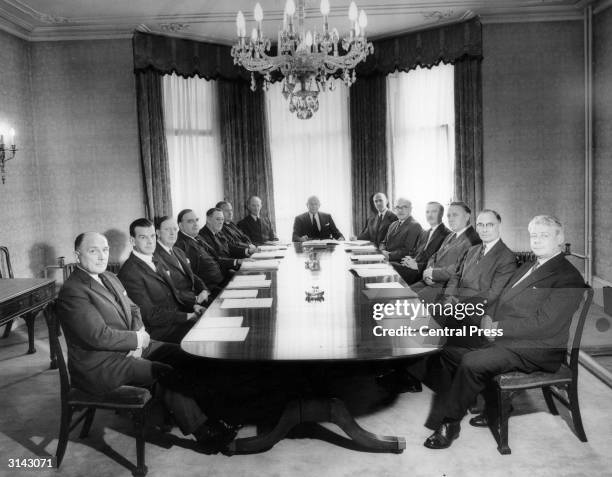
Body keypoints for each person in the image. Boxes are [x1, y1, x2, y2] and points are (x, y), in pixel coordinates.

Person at [408, 215, 586, 449]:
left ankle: (450, 423)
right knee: (448, 347)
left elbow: (546, 324)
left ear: (560, 238)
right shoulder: (528, 266)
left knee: (472, 361)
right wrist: (489, 317)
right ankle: (493, 404)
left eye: (545, 235)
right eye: (534, 236)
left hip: (537, 348)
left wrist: (498, 329)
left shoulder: (568, 276)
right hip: (508, 337)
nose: (537, 241)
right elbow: (500, 297)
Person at [56, 232, 238, 451]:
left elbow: (133, 308)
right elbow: (97, 335)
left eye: (105, 250)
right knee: (165, 372)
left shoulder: (110, 277)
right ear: (78, 256)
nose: (101, 256)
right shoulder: (73, 291)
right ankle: (205, 434)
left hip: (129, 348)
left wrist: (139, 331)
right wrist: (135, 340)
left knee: (186, 355)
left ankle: (212, 415)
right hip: (101, 364)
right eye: (93, 251)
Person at [118, 218, 202, 343]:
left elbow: (175, 294)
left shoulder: (155, 260)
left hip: (175, 322)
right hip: (160, 333)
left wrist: (194, 306)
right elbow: (149, 315)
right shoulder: (129, 272)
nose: (150, 242)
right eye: (143, 237)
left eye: (152, 236)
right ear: (133, 241)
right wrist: (187, 316)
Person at [411, 201, 481, 302]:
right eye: (448, 216)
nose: (450, 219)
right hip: (430, 281)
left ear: (467, 216)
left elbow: (459, 270)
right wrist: (428, 272)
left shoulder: (474, 240)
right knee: (402, 295)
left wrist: (433, 273)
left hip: (444, 287)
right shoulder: (450, 235)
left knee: (407, 303)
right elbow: (434, 256)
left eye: (455, 215)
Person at [154, 215, 210, 310]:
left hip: (197, 297)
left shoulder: (178, 251)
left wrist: (204, 290)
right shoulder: (155, 256)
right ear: (158, 233)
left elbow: (192, 275)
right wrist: (195, 299)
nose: (172, 233)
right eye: (167, 229)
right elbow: (170, 290)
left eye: (175, 229)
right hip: (182, 306)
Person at [393, 202, 450, 284]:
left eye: (434, 211)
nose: (430, 215)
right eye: (427, 212)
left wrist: (417, 266)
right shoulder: (425, 232)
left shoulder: (447, 235)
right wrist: (409, 259)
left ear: (441, 214)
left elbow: (441, 263)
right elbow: (417, 251)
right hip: (412, 268)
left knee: (390, 268)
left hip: (423, 274)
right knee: (388, 266)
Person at [174, 209, 230, 293]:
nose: (196, 224)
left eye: (196, 220)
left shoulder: (198, 237)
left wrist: (236, 262)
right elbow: (190, 274)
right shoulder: (180, 245)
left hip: (222, 279)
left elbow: (216, 258)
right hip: (211, 288)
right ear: (181, 226)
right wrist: (204, 290)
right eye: (190, 221)